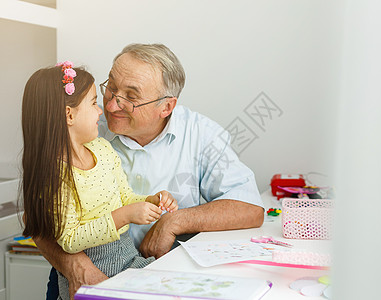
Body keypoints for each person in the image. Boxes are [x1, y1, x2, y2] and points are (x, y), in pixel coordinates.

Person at [36, 43, 265, 300]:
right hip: (82, 274)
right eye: (110, 88)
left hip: (158, 276)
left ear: (166, 107)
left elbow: (249, 207)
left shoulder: (201, 135)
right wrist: (75, 266)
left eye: (131, 97)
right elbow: (35, 218)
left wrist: (176, 220)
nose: (110, 106)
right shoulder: (80, 127)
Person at [21, 61, 178, 300]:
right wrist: (126, 215)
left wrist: (150, 200)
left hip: (127, 257)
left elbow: (124, 196)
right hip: (94, 269)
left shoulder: (102, 149)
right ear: (69, 114)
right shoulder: (57, 176)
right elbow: (70, 240)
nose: (101, 111)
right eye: (94, 103)